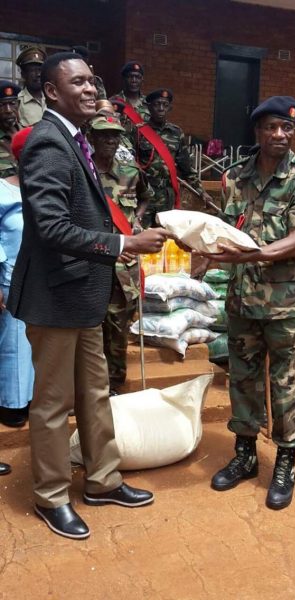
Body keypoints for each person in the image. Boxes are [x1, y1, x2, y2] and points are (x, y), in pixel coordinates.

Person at [7, 52, 169, 540]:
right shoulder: (48, 144)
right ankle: (52, 495)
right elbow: (52, 226)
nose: (89, 87)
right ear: (52, 93)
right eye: (76, 82)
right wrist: (122, 243)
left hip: (83, 295)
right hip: (55, 298)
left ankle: (101, 480)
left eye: (91, 80)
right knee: (54, 406)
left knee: (95, 394)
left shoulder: (74, 140)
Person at [203, 96, 295, 510]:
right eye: (271, 127)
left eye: (286, 128)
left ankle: (286, 463)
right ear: (257, 131)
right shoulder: (234, 177)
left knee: (287, 388)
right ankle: (246, 456)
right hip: (242, 302)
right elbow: (224, 231)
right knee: (243, 381)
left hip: (288, 307)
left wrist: (250, 255)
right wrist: (201, 251)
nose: (279, 135)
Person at [88, 113, 153, 393]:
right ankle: (89, 385)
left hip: (124, 267)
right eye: (104, 135)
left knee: (118, 328)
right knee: (91, 327)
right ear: (91, 138)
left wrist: (137, 220)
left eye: (114, 135)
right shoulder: (82, 171)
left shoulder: (130, 172)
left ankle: (114, 384)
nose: (110, 141)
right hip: (93, 261)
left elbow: (147, 196)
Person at [133, 88, 212, 227]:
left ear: (170, 108)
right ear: (149, 107)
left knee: (164, 238)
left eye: (165, 105)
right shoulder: (138, 131)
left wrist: (202, 192)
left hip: (166, 197)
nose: (161, 108)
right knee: (141, 237)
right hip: (143, 196)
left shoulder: (176, 133)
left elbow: (186, 168)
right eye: (157, 104)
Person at [0, 128, 34, 428]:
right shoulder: (3, 191)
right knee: (12, 343)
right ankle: (11, 403)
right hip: (9, 280)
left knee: (38, 344)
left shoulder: (48, 190)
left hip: (43, 283)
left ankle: (32, 397)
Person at [110, 61, 150, 139]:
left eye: (137, 77)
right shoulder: (113, 102)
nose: (134, 80)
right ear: (124, 79)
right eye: (130, 77)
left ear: (142, 80)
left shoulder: (150, 104)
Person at [16, 46, 47, 126]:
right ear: (23, 74)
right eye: (33, 70)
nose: (38, 74)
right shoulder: (17, 102)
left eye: (40, 70)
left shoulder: (53, 99)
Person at [0, 81, 21, 179]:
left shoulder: (30, 135)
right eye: (1, 105)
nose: (8, 110)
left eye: (12, 103)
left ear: (18, 105)